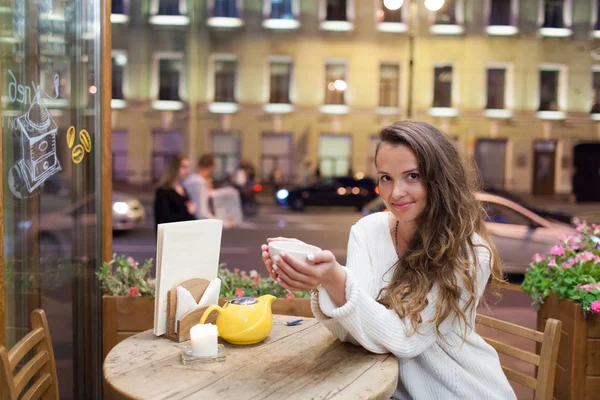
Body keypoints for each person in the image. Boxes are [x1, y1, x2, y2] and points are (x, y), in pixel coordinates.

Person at [260, 121, 516, 399]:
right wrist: (320, 279)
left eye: (413, 176)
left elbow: (406, 340)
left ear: (441, 179)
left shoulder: (470, 251)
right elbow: (353, 335)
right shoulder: (367, 231)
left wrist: (336, 279)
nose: (396, 193)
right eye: (386, 178)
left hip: (462, 390)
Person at [154, 155, 196, 227]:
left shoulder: (183, 188)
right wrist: (187, 211)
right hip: (171, 235)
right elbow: (163, 219)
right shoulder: (163, 191)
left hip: (185, 234)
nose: (187, 171)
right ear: (174, 168)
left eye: (188, 167)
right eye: (184, 167)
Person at [183, 154, 216, 220]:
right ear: (212, 167)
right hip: (198, 222)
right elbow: (202, 213)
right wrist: (220, 222)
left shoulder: (189, 179)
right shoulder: (200, 183)